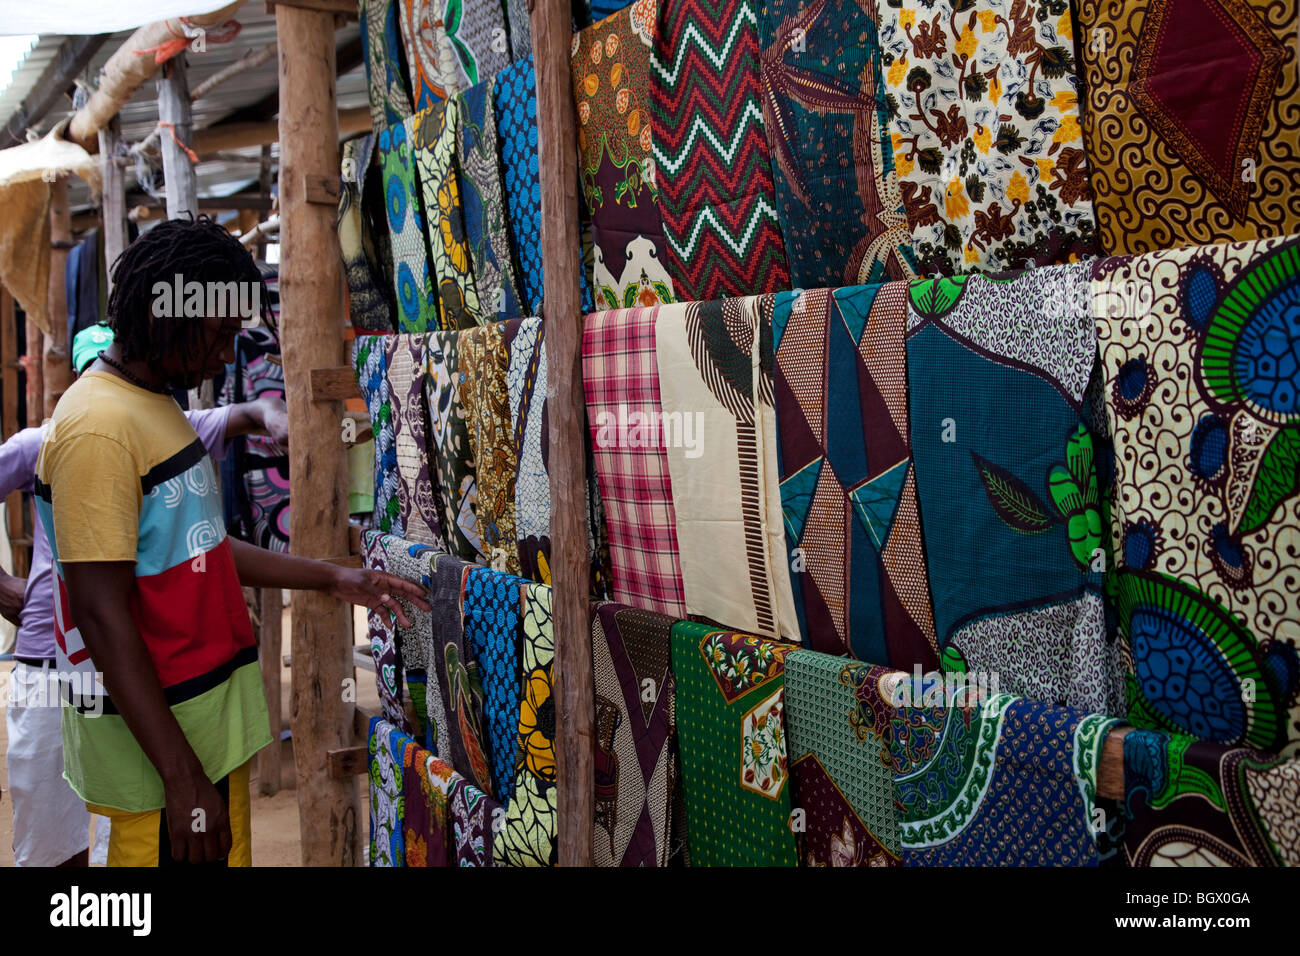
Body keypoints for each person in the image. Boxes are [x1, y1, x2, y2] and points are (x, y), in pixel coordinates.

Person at [34, 217, 426, 866]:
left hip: (202, 738)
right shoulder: (97, 430)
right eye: (218, 335)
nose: (224, 355)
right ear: (170, 317)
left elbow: (200, 548)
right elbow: (102, 616)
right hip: (160, 767)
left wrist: (332, 578)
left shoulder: (152, 405)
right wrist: (183, 780)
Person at [1, 324, 289, 867]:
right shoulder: (62, 439)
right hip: (52, 662)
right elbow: (99, 609)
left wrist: (272, 414)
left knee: (121, 833)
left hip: (130, 676)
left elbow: (243, 420)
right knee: (51, 832)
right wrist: (5, 589)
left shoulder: (164, 422)